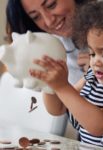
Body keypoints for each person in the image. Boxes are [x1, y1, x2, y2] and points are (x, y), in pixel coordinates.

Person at [29, 0, 103, 149]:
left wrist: (62, 86)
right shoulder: (90, 78)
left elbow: (100, 125)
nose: (95, 62)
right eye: (92, 53)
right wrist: (50, 84)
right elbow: (58, 108)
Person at [6, 0, 91, 138]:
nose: (49, 21)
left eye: (51, 5)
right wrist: (52, 83)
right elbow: (57, 109)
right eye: (35, 17)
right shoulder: (54, 45)